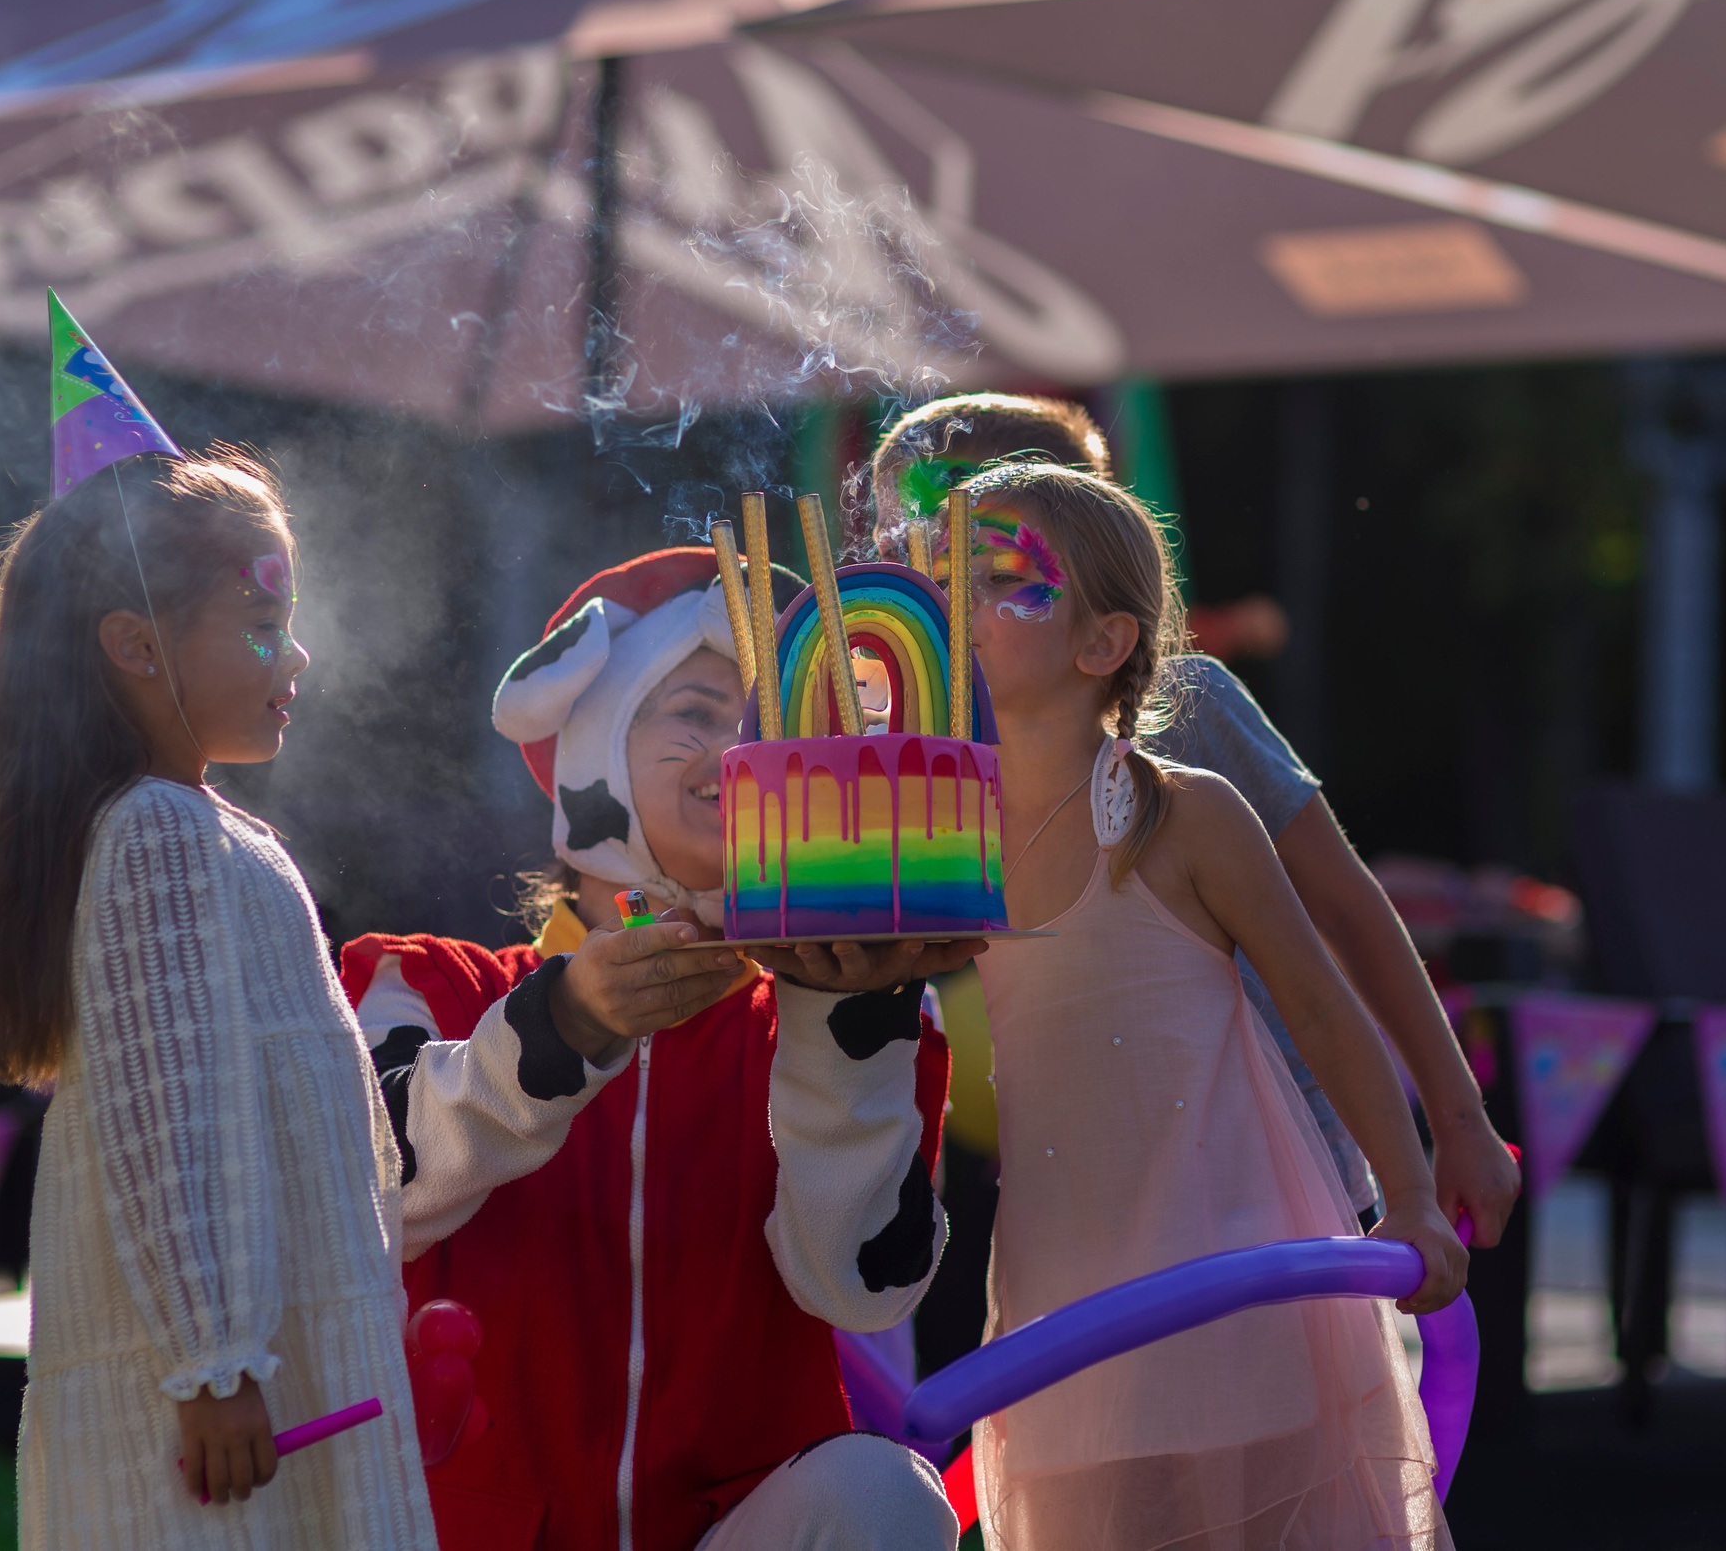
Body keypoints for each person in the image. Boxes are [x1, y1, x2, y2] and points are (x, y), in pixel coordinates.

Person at [345, 550, 977, 1551]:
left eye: (767, 723)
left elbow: (859, 1291)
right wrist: (561, 1030)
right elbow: (363, 1202)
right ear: (594, 746)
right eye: (696, 711)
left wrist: (841, 1027)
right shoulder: (430, 986)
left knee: (884, 1496)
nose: (740, 751)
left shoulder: (849, 1006)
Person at [866, 395, 1520, 1244]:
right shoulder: (921, 763)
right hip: (1085, 1217)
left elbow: (1347, 909)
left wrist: (1458, 1126)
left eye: (981, 562)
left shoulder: (1188, 711)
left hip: (1277, 1191)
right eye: (899, 549)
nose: (933, 589)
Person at [0, 440, 436, 1549]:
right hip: (211, 1383)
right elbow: (170, 1114)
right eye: (262, 627)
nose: (296, 655)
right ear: (135, 648)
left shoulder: (199, 833)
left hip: (254, 1360)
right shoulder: (160, 837)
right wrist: (212, 1359)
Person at [952, 461, 1462, 1549]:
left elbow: (1324, 1013)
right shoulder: (932, 834)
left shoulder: (1183, 816)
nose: (955, 605)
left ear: (1101, 646)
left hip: (1241, 1290)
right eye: (940, 576)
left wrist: (1411, 1196)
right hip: (1064, 1312)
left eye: (1004, 582)